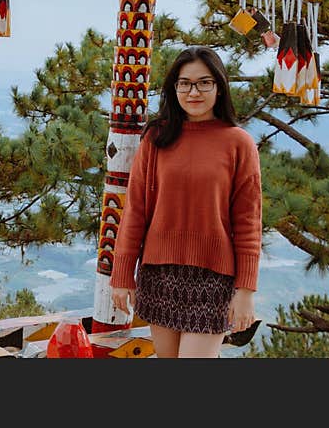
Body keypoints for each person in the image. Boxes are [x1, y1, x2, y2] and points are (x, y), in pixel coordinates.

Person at [110, 46, 262, 358]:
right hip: (159, 274)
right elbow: (136, 210)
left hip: (213, 278)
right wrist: (122, 274)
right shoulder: (157, 137)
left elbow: (248, 222)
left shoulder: (239, 143)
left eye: (204, 82)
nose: (194, 91)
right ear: (174, 88)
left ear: (219, 87)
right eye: (185, 83)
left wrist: (245, 290)